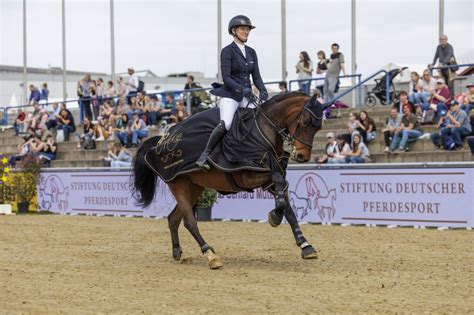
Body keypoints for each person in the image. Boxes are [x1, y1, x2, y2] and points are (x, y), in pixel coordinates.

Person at [196, 15, 268, 171]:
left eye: (248, 29)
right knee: (227, 123)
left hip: (247, 95)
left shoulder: (251, 52)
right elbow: (226, 78)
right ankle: (205, 155)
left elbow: (256, 77)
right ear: (234, 31)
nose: (246, 31)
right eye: (243, 29)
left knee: (261, 120)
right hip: (231, 95)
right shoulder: (227, 51)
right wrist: (242, 89)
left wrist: (263, 91)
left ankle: (254, 154)